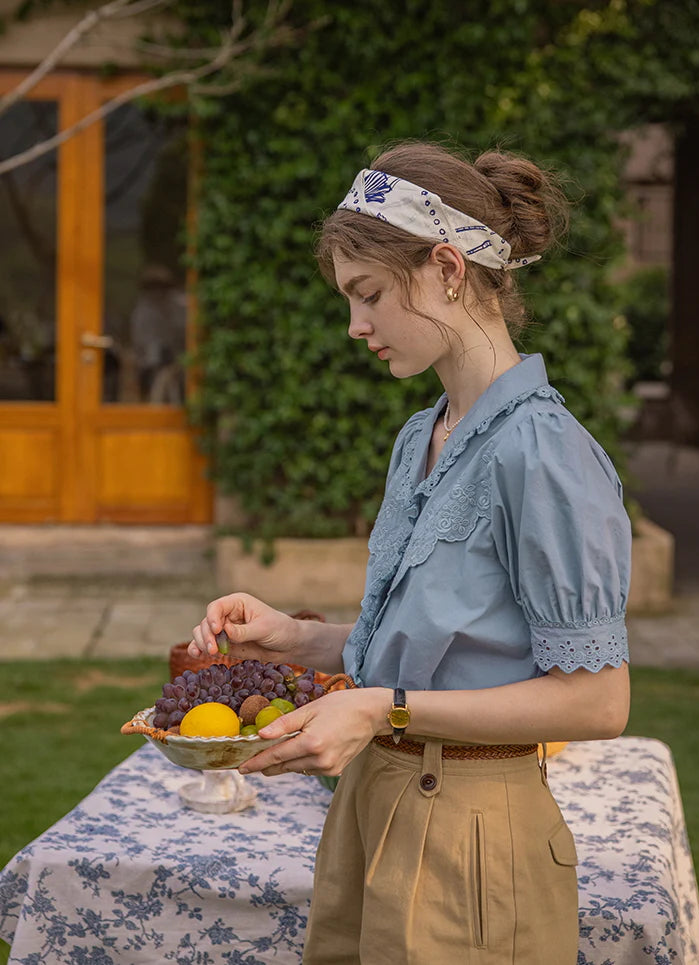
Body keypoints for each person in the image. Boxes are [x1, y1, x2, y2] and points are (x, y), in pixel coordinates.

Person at [188, 141, 632, 964]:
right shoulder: (419, 436)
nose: (356, 326)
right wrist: (297, 637)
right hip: (373, 804)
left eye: (368, 295)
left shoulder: (545, 454)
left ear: (446, 269)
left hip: (473, 836)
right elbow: (440, 646)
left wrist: (381, 707)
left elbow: (597, 703)